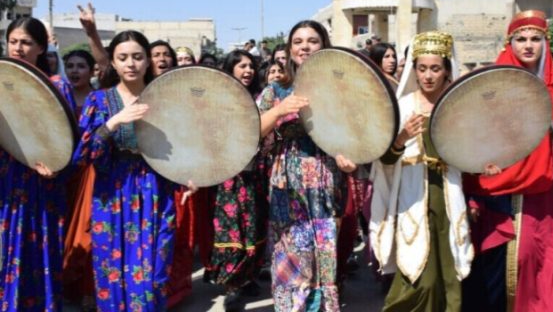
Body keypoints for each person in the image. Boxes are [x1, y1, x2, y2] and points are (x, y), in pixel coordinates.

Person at [462, 10, 553, 312]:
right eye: (521, 39)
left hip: (547, 187)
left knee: (546, 252)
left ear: (545, 43)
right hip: (503, 185)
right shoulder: (493, 84)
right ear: (510, 43)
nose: (528, 45)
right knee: (513, 258)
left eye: (535, 39)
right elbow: (476, 135)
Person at [72, 30, 188, 311]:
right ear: (112, 62)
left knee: (154, 277)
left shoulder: (165, 98)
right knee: (113, 275)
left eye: (137, 57)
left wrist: (191, 175)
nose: (130, 63)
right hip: (112, 195)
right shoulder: (99, 101)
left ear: (148, 61)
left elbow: (185, 147)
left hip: (157, 193)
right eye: (122, 58)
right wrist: (113, 123)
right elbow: (85, 156)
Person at [257, 20, 357, 311]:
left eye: (312, 40)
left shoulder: (340, 89)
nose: (305, 47)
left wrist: (349, 158)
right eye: (298, 41)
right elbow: (250, 131)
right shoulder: (276, 90)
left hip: (327, 180)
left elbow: (355, 134)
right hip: (287, 185)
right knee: (290, 256)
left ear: (324, 45)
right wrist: (279, 111)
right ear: (289, 49)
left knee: (323, 257)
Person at [370, 31, 473, 312]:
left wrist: (483, 165)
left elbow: (472, 152)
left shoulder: (456, 106)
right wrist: (401, 139)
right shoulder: (403, 106)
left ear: (446, 70)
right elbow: (384, 161)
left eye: (435, 69)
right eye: (422, 68)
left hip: (448, 196)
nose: (428, 76)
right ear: (414, 69)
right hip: (412, 198)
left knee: (449, 273)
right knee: (419, 277)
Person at [0, 17, 76, 311]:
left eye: (26, 43)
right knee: (8, 245)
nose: (18, 48)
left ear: (42, 48)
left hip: (44, 180)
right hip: (8, 177)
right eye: (13, 41)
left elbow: (68, 142)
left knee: (40, 245)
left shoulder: (57, 87)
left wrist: (57, 168)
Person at [202, 49, 265, 311]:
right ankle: (232, 285)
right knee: (232, 230)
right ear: (229, 70)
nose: (247, 70)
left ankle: (247, 276)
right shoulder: (217, 100)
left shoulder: (261, 98)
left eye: (250, 65)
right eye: (241, 66)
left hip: (256, 175)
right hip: (229, 177)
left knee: (254, 228)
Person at [62, 49, 97, 310]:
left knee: (86, 231)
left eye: (81, 66)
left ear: (92, 70)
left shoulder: (98, 99)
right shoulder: (59, 96)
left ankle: (88, 288)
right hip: (61, 172)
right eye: (70, 66)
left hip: (88, 173)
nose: (74, 71)